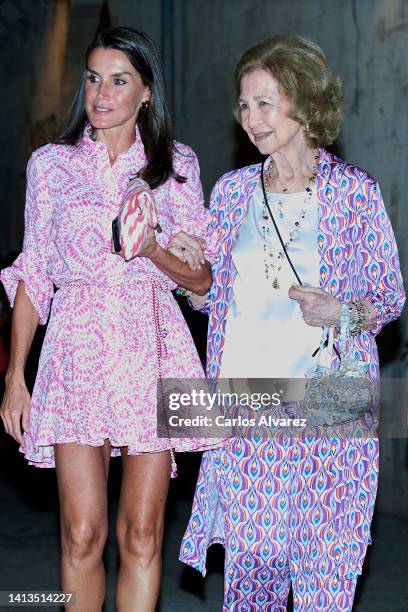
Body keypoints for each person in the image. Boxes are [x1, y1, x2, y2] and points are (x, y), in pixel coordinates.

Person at [173, 35, 405, 610]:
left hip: (331, 406)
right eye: (244, 105)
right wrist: (188, 264)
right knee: (253, 583)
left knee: (327, 576)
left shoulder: (355, 193)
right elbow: (210, 296)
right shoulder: (230, 194)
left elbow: (389, 298)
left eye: (265, 102)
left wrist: (341, 311)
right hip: (249, 404)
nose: (251, 118)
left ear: (303, 102)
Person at [0, 26, 218, 612]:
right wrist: (15, 378)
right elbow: (33, 273)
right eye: (93, 78)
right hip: (74, 347)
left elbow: (201, 282)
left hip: (150, 344)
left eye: (119, 80)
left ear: (146, 91)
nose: (101, 93)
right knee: (82, 534)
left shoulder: (177, 166)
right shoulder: (51, 166)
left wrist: (151, 248)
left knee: (142, 534)